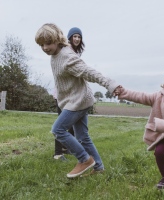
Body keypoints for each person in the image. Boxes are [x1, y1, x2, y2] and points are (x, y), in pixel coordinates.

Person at [35, 23, 119, 178]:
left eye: (48, 43)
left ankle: (84, 159)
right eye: (41, 45)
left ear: (57, 40)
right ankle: (99, 167)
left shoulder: (67, 57)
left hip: (78, 101)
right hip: (74, 99)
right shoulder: (55, 55)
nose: (45, 48)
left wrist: (110, 84)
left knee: (58, 130)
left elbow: (89, 72)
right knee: (82, 137)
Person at [53, 27, 85, 161]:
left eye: (79, 37)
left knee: (71, 124)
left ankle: (66, 148)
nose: (77, 39)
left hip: (72, 95)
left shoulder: (75, 53)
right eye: (74, 36)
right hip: (62, 94)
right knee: (61, 125)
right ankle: (57, 153)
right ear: (69, 38)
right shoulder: (65, 51)